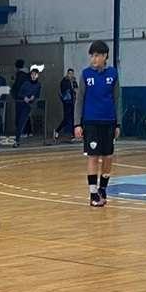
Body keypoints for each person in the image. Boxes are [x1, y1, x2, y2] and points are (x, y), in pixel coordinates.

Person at [73, 42, 118, 207]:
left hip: (109, 122)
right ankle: (93, 193)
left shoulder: (113, 74)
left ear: (105, 56)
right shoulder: (86, 74)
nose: (94, 59)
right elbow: (79, 100)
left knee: (108, 157)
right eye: (92, 56)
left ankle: (103, 189)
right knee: (93, 156)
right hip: (91, 122)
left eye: (97, 55)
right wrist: (77, 123)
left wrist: (118, 124)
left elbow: (117, 99)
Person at [13, 65, 42, 147]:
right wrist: (24, 97)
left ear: (38, 75)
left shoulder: (38, 85)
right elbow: (19, 93)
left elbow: (38, 94)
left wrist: (33, 96)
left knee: (22, 122)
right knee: (19, 122)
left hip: (29, 105)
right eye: (32, 74)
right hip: (21, 104)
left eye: (35, 74)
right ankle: (17, 139)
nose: (33, 76)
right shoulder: (26, 83)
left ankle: (17, 140)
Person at [55, 68, 77, 142]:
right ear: (67, 74)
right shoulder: (64, 81)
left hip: (73, 101)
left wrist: (75, 91)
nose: (71, 75)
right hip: (67, 102)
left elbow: (76, 89)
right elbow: (64, 90)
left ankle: (73, 135)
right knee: (67, 118)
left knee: (73, 118)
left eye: (72, 73)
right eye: (69, 73)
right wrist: (72, 90)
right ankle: (57, 130)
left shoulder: (74, 81)